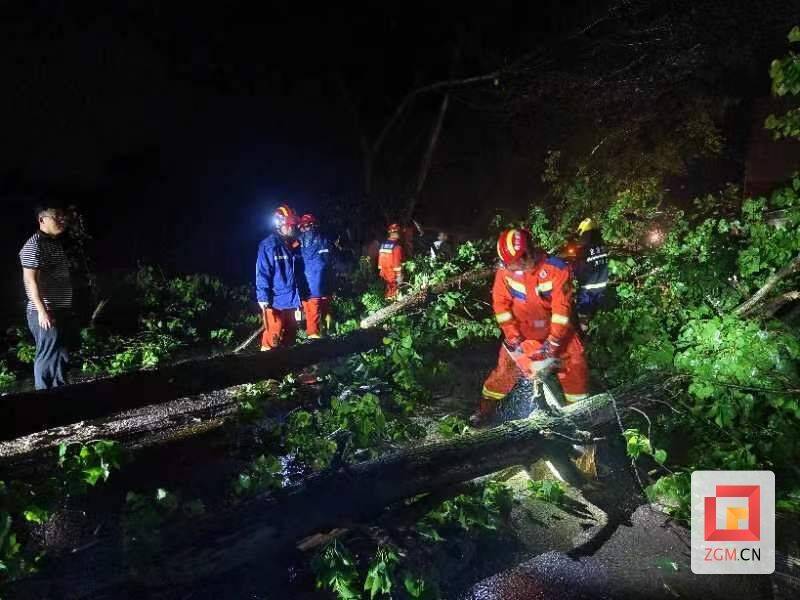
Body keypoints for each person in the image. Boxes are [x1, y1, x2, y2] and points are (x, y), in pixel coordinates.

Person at [471, 228, 589, 426]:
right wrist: (513, 336)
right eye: (506, 264)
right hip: (523, 334)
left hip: (559, 333)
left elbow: (562, 311)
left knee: (575, 371)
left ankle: (581, 420)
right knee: (504, 373)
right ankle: (483, 411)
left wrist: (553, 344)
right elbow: (501, 305)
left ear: (527, 255)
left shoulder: (556, 269)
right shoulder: (505, 272)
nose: (509, 268)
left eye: (513, 263)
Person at [19, 201, 74, 389]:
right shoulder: (34, 245)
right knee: (48, 353)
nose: (62, 220)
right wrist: (42, 311)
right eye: (57, 216)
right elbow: (30, 280)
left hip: (59, 308)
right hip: (45, 310)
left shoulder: (53, 244)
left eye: (63, 216)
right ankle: (43, 402)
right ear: (42, 219)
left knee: (60, 354)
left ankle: (61, 398)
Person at [256, 205, 302, 351]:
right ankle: (265, 368)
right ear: (280, 224)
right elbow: (262, 272)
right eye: (290, 225)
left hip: (293, 300)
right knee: (272, 337)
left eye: (293, 225)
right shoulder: (269, 245)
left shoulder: (296, 245)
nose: (292, 228)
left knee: (290, 336)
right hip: (275, 302)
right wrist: (263, 297)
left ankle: (288, 368)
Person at [297, 213, 333, 338]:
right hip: (324, 285)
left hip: (307, 288)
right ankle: (330, 336)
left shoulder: (296, 244)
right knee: (326, 312)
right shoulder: (324, 240)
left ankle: (314, 344)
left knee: (312, 317)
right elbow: (329, 262)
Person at [573, 218, 609, 330]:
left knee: (583, 313)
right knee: (597, 312)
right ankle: (596, 332)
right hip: (602, 285)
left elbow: (579, 269)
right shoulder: (602, 246)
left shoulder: (583, 249)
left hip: (587, 288)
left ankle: (583, 334)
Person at [378, 223, 404, 299]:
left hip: (383, 273)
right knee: (394, 293)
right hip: (392, 275)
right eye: (398, 233)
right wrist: (399, 276)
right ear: (394, 233)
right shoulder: (397, 247)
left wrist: (382, 271)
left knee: (387, 291)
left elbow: (380, 261)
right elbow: (397, 264)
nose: (399, 235)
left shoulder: (383, 244)